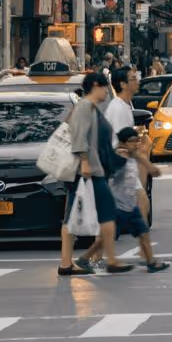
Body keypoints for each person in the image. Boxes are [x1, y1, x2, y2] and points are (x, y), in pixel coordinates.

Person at [58, 71, 132, 276]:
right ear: (95, 87)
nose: (107, 92)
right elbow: (79, 137)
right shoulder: (84, 107)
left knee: (77, 216)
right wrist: (84, 162)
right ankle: (108, 260)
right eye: (104, 87)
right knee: (103, 213)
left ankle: (70, 262)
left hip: (93, 169)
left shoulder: (90, 108)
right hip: (86, 171)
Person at [110, 128, 169, 272]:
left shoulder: (133, 157)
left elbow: (154, 173)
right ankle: (87, 260)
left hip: (130, 206)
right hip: (115, 206)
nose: (136, 144)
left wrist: (141, 155)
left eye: (137, 140)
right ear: (123, 142)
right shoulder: (118, 157)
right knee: (104, 239)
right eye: (132, 141)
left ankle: (151, 263)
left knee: (143, 232)